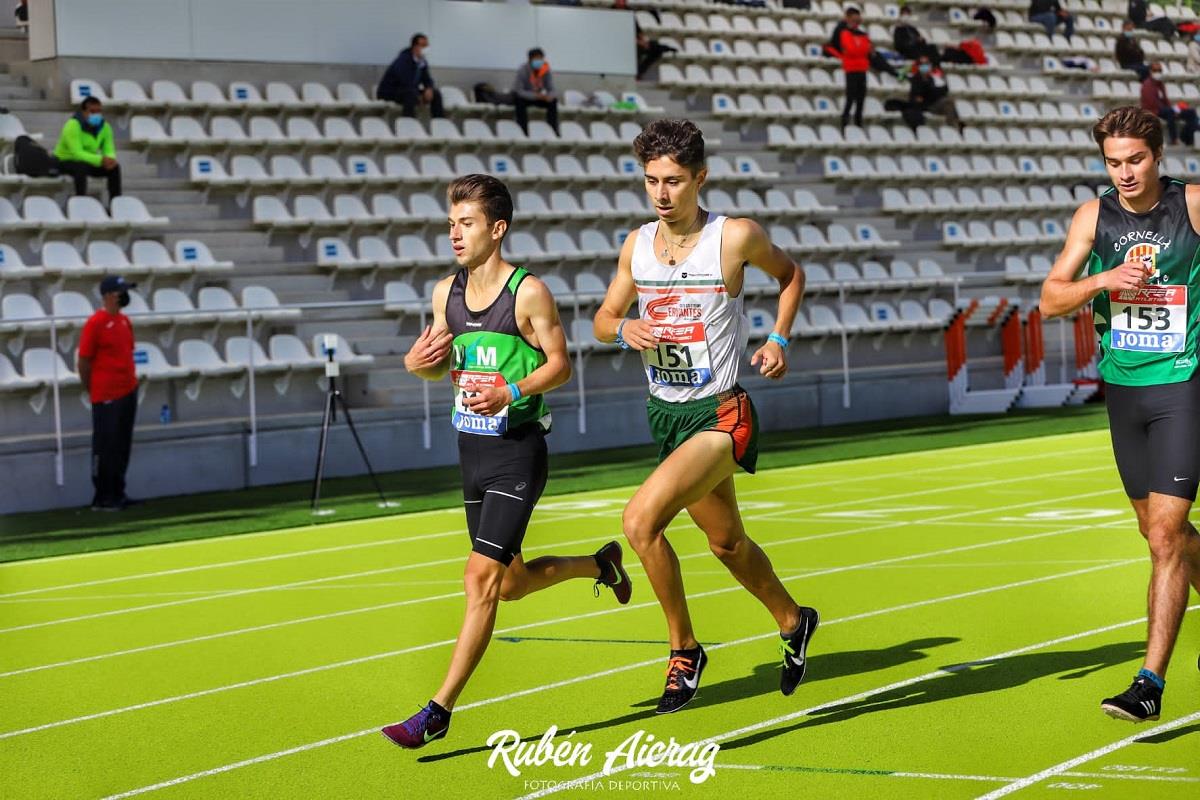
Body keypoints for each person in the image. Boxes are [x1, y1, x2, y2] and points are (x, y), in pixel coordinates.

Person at [382, 174, 631, 748]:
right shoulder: (444, 292)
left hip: (518, 453)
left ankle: (437, 711)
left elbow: (561, 366)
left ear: (498, 228)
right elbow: (434, 366)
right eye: (451, 223)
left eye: (466, 223)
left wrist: (511, 392)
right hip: (470, 452)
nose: (455, 234)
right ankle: (600, 566)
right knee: (510, 584)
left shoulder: (528, 293)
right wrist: (413, 362)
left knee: (479, 579)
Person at [592, 119, 819, 714]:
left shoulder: (734, 237)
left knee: (640, 522)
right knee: (727, 544)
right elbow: (602, 317)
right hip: (666, 415)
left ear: (700, 178)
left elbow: (791, 276)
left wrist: (779, 339)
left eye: (673, 181)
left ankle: (684, 650)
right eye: (651, 182)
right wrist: (623, 328)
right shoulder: (636, 245)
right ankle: (794, 620)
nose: (662, 194)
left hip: (721, 414)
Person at [1039, 105, 1200, 723]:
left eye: (1136, 159)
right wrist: (1104, 280)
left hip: (1184, 384)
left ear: (1158, 157)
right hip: (1124, 391)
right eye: (1114, 162)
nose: (1126, 172)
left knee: (1166, 534)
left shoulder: (1190, 206)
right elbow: (1052, 297)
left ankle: (1149, 682)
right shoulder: (1093, 215)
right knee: (1161, 533)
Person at [78, 275, 139, 511]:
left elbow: (127, 352)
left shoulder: (124, 321)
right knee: (106, 446)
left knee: (122, 444)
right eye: (120, 291)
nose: (124, 295)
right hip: (106, 394)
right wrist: (93, 388)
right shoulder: (96, 323)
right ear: (108, 296)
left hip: (127, 390)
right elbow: (84, 360)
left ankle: (118, 492)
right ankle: (103, 496)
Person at [53, 97, 120, 202]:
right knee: (80, 167)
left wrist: (110, 159)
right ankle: (81, 202)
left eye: (99, 111)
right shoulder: (72, 125)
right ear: (83, 112)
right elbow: (77, 153)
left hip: (88, 160)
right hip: (64, 160)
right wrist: (100, 160)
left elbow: (109, 149)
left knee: (114, 168)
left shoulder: (105, 127)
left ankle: (116, 204)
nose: (96, 114)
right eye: (92, 111)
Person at [828, 8, 877, 130]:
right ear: (848, 19)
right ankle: (844, 124)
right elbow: (852, 50)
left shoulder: (863, 34)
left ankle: (858, 123)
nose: (856, 22)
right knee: (850, 98)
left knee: (861, 98)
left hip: (862, 68)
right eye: (854, 19)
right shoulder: (844, 32)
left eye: (858, 20)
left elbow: (867, 51)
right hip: (851, 69)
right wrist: (862, 49)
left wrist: (861, 49)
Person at [376, 33, 445, 118]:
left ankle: (439, 122)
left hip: (408, 90)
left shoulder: (422, 61)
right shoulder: (403, 60)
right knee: (410, 94)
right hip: (390, 92)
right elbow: (405, 81)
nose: (426, 48)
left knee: (435, 94)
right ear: (415, 47)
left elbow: (427, 79)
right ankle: (409, 124)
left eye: (427, 45)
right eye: (423, 45)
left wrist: (429, 88)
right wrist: (418, 95)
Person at [1140, 63, 1199, 146]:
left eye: (1159, 70)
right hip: (1153, 110)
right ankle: (1174, 139)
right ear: (1150, 71)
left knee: (1191, 112)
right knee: (1170, 113)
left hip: (1164, 109)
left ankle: (1187, 137)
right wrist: (1171, 110)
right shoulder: (1147, 85)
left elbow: (1165, 99)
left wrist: (1174, 109)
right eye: (1155, 70)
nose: (1158, 72)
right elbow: (1151, 103)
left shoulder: (1160, 84)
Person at [908, 54, 964, 132]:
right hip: (926, 106)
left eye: (927, 64)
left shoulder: (930, 79)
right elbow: (920, 97)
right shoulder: (916, 79)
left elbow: (933, 92)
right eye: (923, 65)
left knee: (949, 104)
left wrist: (941, 90)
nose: (926, 67)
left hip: (933, 103)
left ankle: (955, 126)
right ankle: (954, 126)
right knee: (947, 102)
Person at [512, 47, 559, 135]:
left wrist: (550, 96)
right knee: (519, 101)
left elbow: (552, 88)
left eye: (541, 59)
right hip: (526, 97)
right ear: (530, 59)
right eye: (536, 59)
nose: (539, 61)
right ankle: (523, 131)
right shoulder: (522, 70)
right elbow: (519, 91)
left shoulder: (545, 70)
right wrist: (535, 96)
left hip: (539, 97)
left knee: (553, 101)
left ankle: (553, 130)